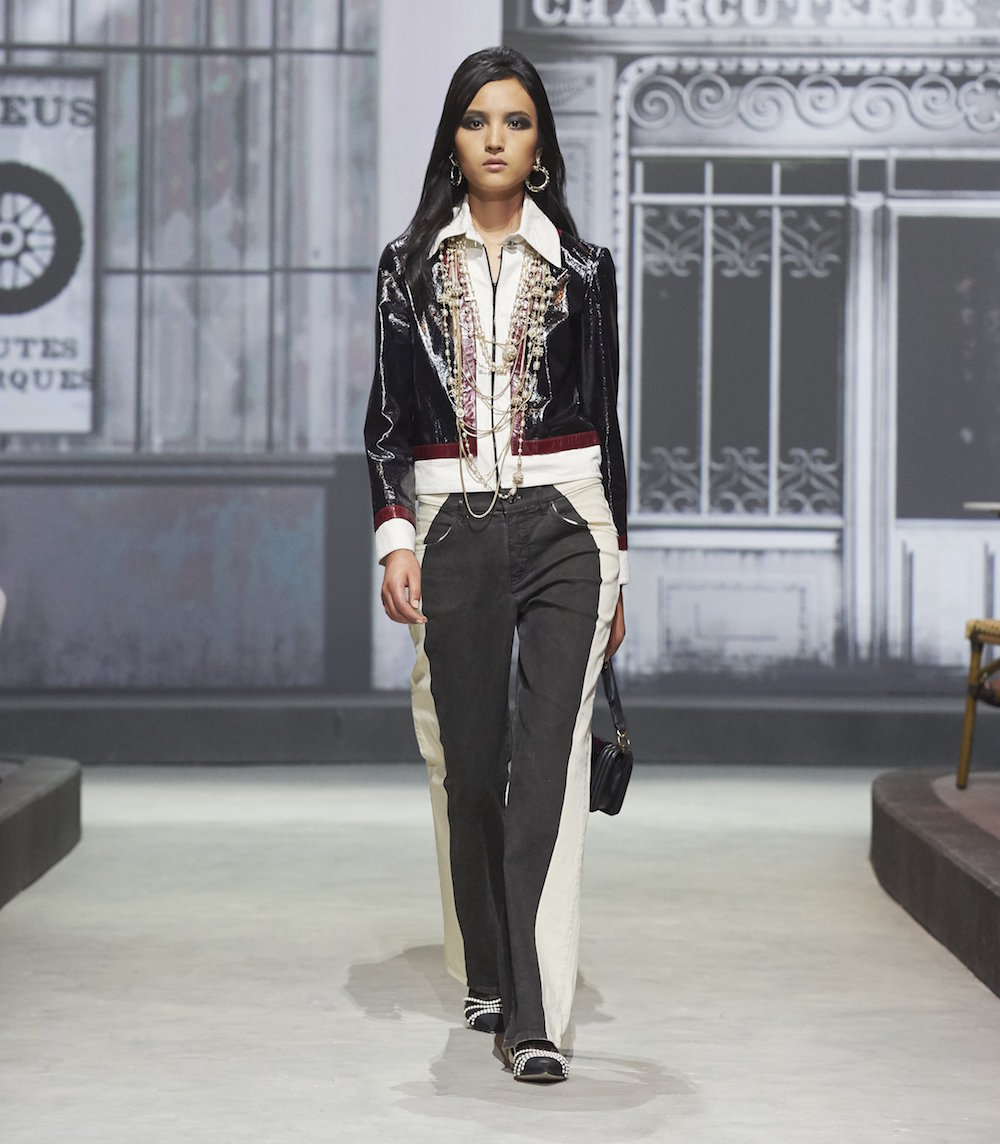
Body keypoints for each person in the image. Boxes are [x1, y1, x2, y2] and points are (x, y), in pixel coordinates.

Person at [364, 46, 627, 1084]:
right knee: (471, 764)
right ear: (453, 139)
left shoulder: (584, 270)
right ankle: (485, 958)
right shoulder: (406, 267)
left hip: (568, 520)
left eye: (515, 121)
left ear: (540, 142)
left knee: (548, 764)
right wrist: (395, 534)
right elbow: (386, 422)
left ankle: (533, 1015)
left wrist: (618, 561)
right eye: (477, 120)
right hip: (453, 523)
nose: (495, 139)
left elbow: (607, 424)